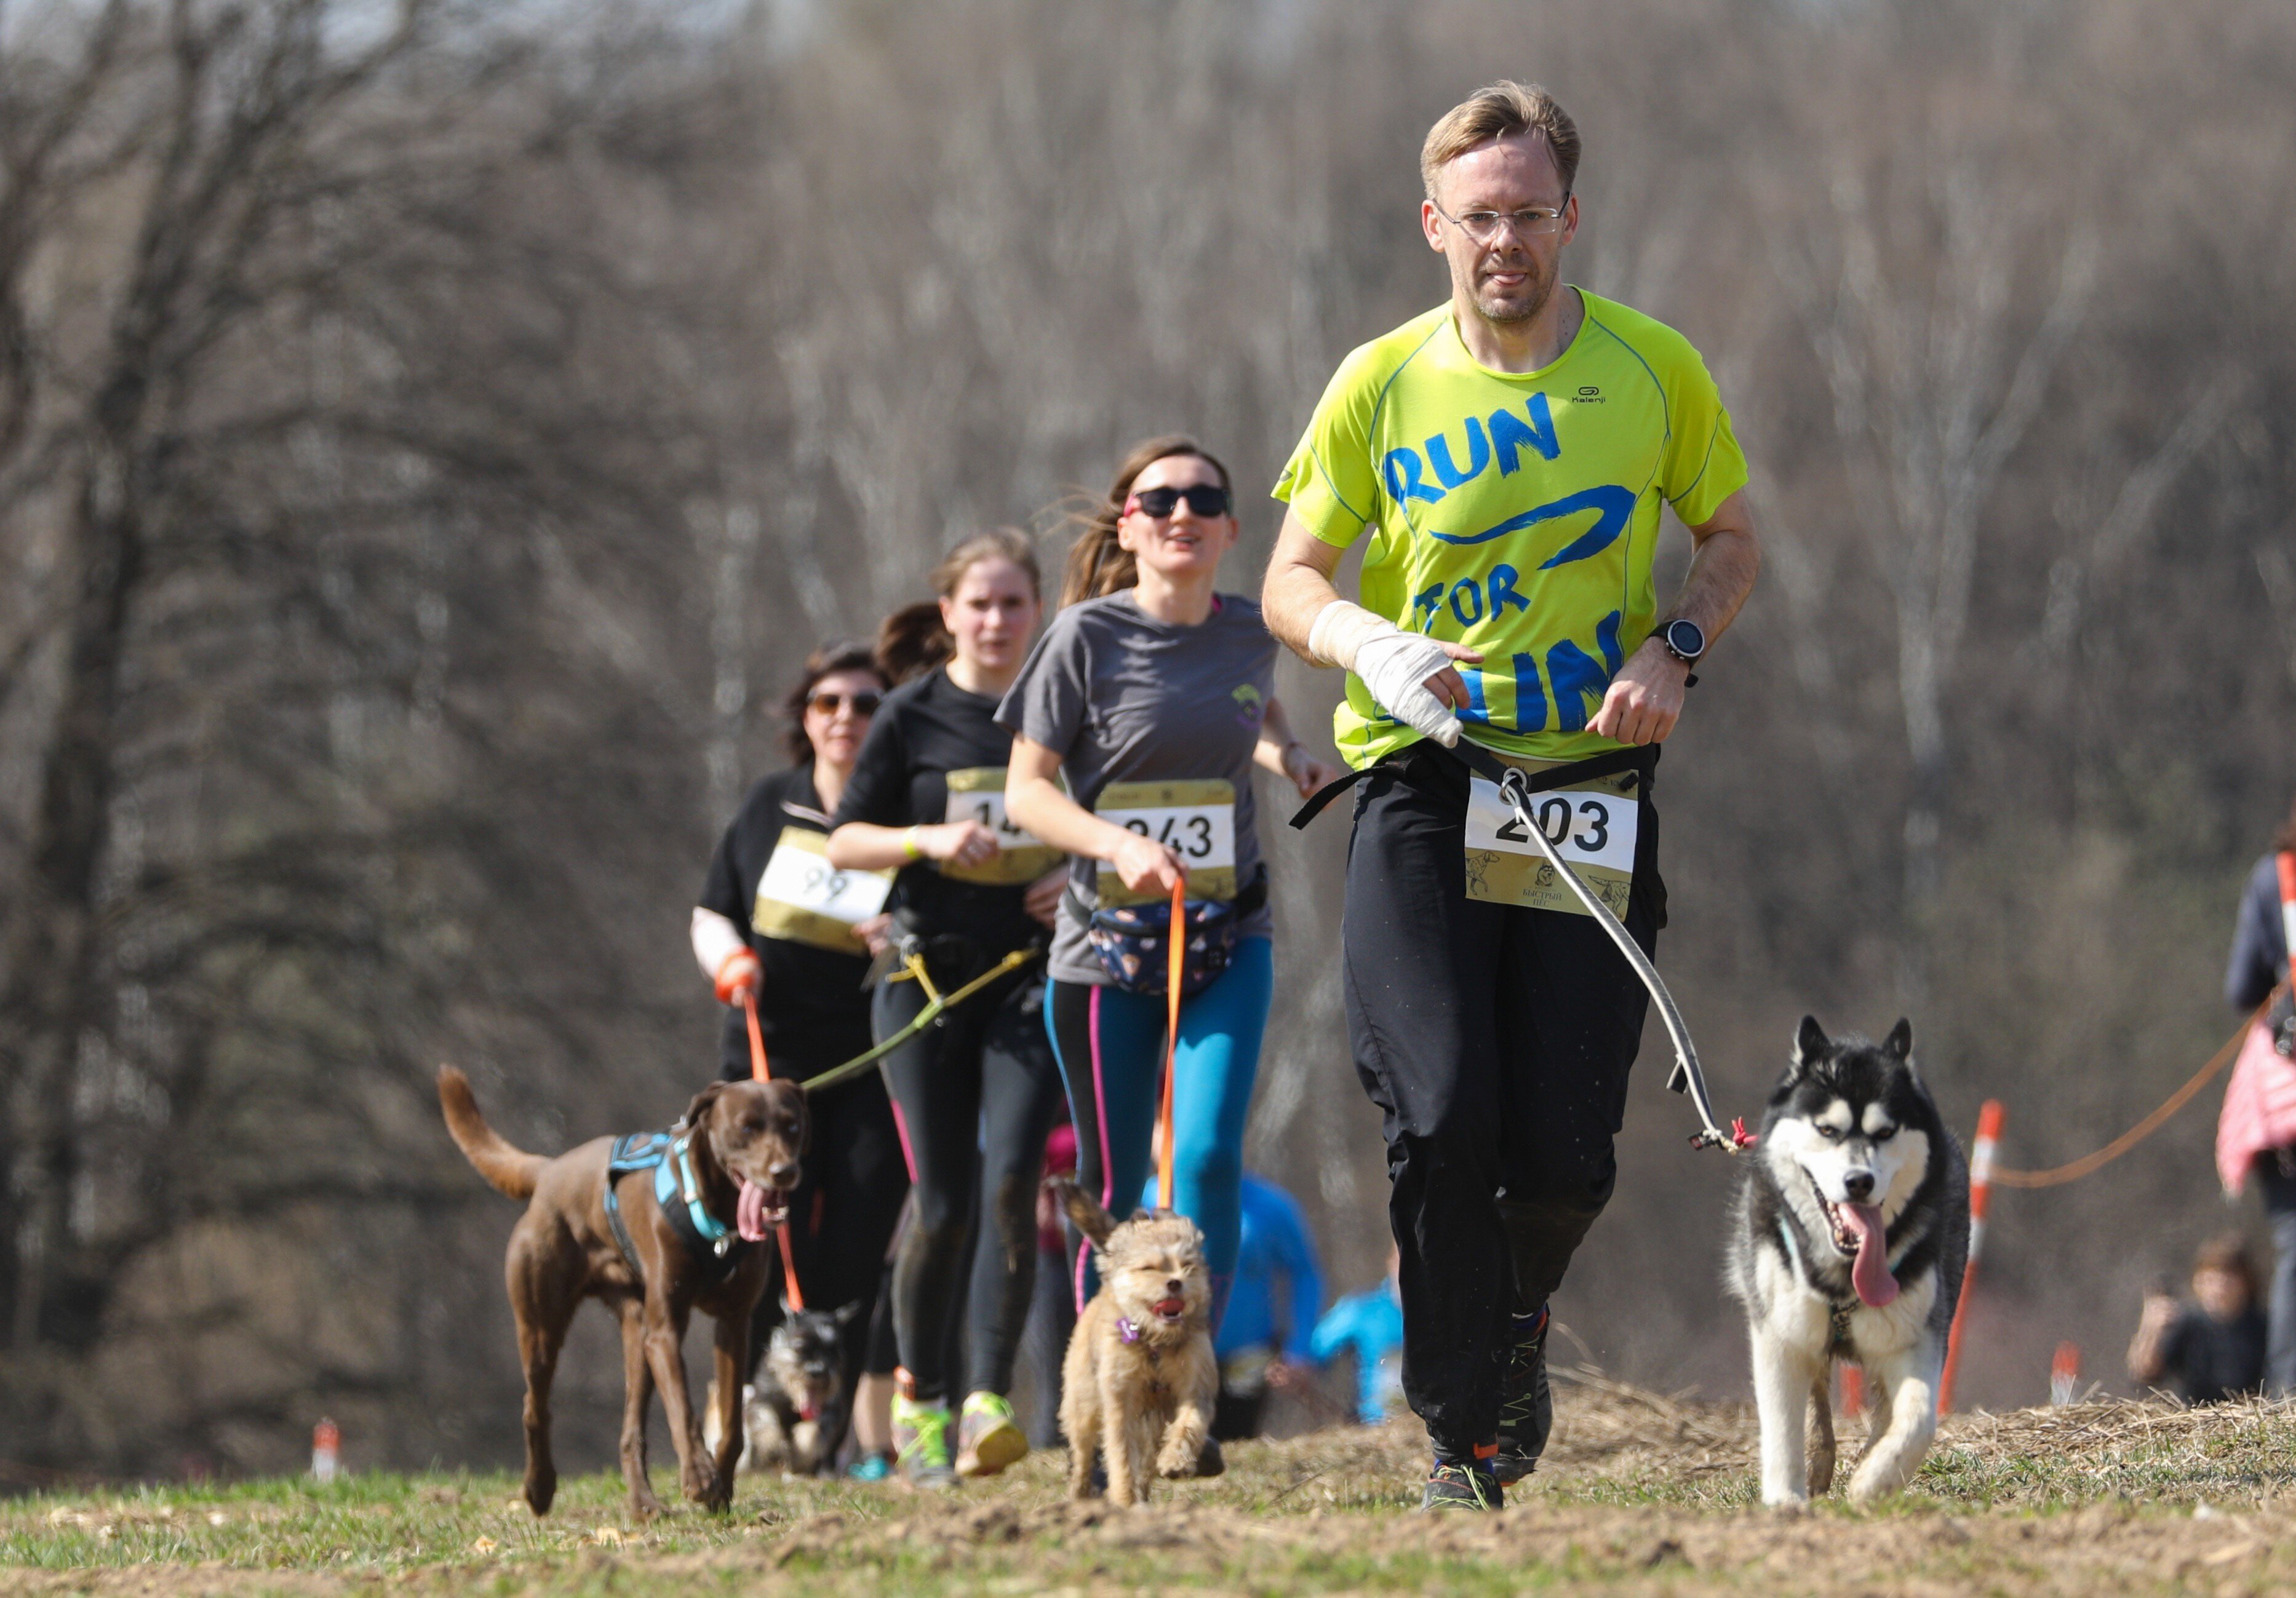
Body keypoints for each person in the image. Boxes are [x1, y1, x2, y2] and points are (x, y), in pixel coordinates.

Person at [1259, 82, 1760, 1509]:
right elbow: (1292, 583)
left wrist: (1676, 646)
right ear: (1435, 225)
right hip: (1423, 783)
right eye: (1478, 218)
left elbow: (1730, 537)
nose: (1504, 241)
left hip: (1587, 789)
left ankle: (1521, 1321)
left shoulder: (1653, 370)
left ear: (1569, 219)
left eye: (1529, 215)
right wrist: (1376, 642)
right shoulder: (1380, 381)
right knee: (1438, 1106)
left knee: (1563, 1146)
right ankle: (1458, 1435)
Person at [999, 437, 1335, 1398]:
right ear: (1128, 525)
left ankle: (1188, 1381)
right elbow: (1027, 791)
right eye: (1160, 500)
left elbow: (1251, 708)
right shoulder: (1085, 638)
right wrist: (1114, 845)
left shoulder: (1246, 629)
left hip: (1230, 936)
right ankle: (1100, 1389)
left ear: (1232, 527)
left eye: (1203, 498)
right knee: (1110, 1188)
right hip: (1105, 954)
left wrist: (1292, 755)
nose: (1181, 512)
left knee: (1206, 1154)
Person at [824, 530, 1068, 1487]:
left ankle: (988, 1405)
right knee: (943, 1197)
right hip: (923, 978)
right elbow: (844, 840)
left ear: (1037, 609)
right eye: (981, 604)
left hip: (1027, 973)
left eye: (1014, 603)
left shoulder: (1059, 700)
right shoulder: (912, 712)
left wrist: (1075, 868)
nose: (998, 620)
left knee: (1013, 1181)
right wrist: (926, 839)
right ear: (949, 612)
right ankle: (918, 1401)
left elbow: (1106, 810)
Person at [690, 642, 909, 1457]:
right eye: (830, 704)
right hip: (762, 1073)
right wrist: (731, 962)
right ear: (806, 719)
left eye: (867, 704)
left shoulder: (901, 814)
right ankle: (734, 1417)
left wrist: (901, 937)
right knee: (751, 1240)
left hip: (868, 1070)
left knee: (852, 1246)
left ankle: (828, 1435)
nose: (847, 717)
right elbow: (712, 911)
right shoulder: (768, 807)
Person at [1139, 1169, 1323, 1440]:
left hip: (1247, 1358)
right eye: (1166, 1128)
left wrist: (1299, 1349)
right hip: (1169, 1354)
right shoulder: (1145, 1200)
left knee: (1235, 1444)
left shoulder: (1268, 1204)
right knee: (1176, 1441)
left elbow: (1305, 1272)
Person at [2215, 793, 2296, 1394]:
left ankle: (2290, 1390)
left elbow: (2243, 988)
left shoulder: (2274, 879)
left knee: (2294, 1243)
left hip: (2282, 1096)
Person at [2127, 1235, 2269, 1404]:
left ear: (2246, 1283)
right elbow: (2144, 1375)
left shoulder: (2263, 1326)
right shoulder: (2188, 1323)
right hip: (2197, 1416)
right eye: (2211, 1280)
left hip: (2250, 1417)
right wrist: (2151, 1329)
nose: (2219, 1288)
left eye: (2228, 1279)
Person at [1310, 1248, 1407, 1426]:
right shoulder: (1363, 1309)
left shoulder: (1448, 1313)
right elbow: (1312, 1354)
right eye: (1406, 1260)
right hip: (1376, 1428)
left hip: (1429, 1429)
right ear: (1391, 1263)